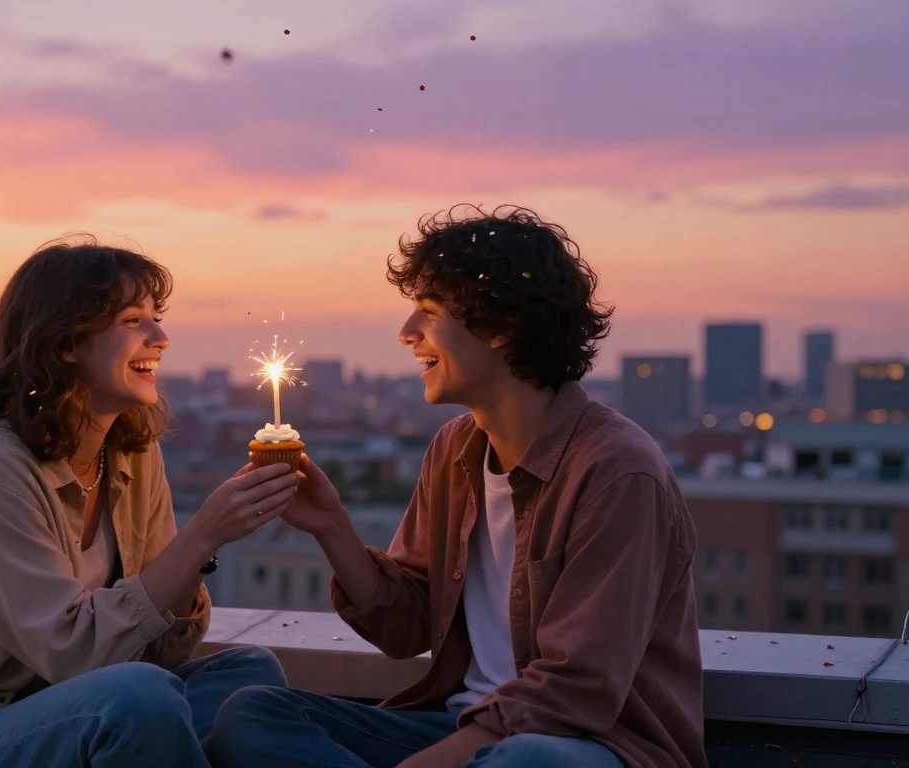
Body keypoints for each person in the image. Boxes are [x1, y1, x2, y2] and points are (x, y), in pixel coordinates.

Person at [209, 205, 708, 768]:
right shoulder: (455, 450)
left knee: (521, 763)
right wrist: (331, 525)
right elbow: (408, 628)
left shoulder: (616, 471)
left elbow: (579, 688)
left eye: (428, 311)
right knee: (253, 715)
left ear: (501, 326)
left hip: (585, 746)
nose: (406, 333)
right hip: (461, 725)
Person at [0, 237, 297, 768]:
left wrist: (201, 552)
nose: (161, 339)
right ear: (65, 344)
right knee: (137, 700)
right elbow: (73, 656)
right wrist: (202, 534)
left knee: (249, 679)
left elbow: (164, 651)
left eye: (156, 319)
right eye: (133, 321)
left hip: (85, 708)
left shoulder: (133, 452)